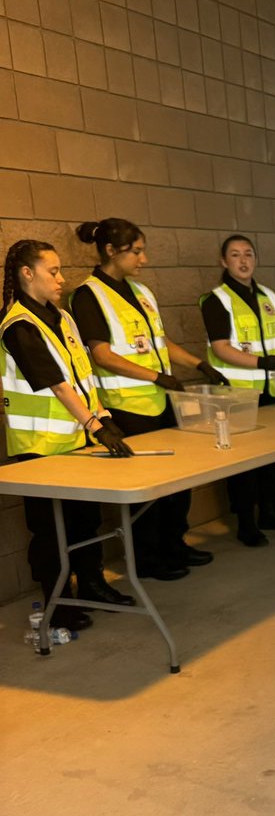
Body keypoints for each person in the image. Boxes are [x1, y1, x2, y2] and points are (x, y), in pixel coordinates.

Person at [70, 218, 226, 580]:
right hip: (129, 407)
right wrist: (157, 376)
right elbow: (102, 354)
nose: (144, 258)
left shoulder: (141, 292)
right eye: (136, 251)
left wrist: (199, 364)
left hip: (160, 402)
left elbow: (161, 343)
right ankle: (148, 558)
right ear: (111, 251)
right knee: (147, 490)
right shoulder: (88, 295)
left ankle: (175, 545)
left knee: (177, 481)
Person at [0, 239, 135, 630]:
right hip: (40, 450)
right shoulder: (18, 326)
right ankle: (57, 599)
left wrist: (103, 417)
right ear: (28, 274)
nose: (61, 279)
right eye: (53, 271)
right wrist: (95, 425)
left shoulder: (62, 317)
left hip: (78, 443)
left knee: (83, 521)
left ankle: (92, 584)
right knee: (49, 530)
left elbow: (82, 378)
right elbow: (57, 385)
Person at [199, 235, 275, 546]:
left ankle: (270, 512)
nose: (243, 260)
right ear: (224, 262)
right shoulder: (215, 300)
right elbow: (221, 349)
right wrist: (260, 361)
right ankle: (246, 522)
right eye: (235, 255)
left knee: (270, 456)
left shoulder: (268, 297)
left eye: (248, 254)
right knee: (243, 462)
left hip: (269, 390)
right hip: (236, 394)